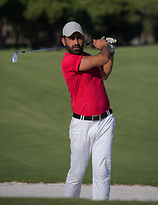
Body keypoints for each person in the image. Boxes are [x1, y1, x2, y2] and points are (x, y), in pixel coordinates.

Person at [61, 21, 116, 200]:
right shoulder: (68, 61)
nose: (76, 42)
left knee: (102, 171)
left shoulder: (88, 57)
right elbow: (101, 58)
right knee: (77, 173)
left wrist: (111, 52)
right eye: (71, 39)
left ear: (83, 38)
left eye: (79, 38)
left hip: (105, 121)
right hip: (81, 125)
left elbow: (105, 73)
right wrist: (105, 47)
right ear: (64, 42)